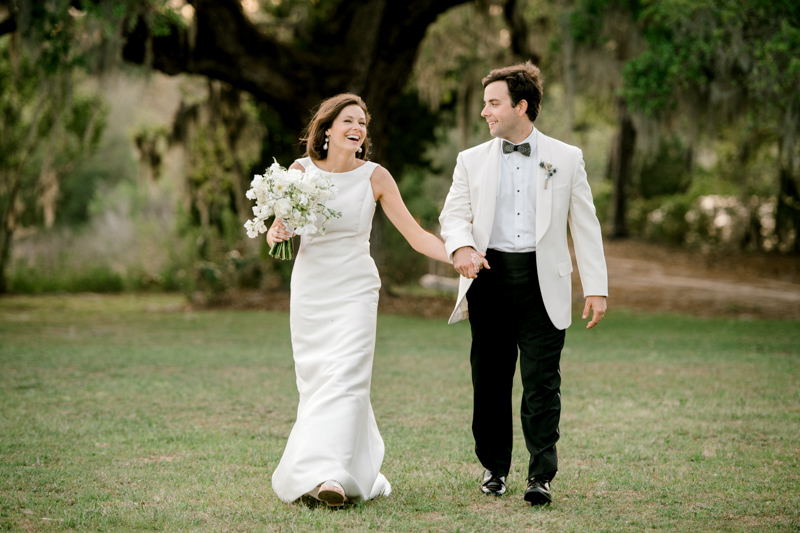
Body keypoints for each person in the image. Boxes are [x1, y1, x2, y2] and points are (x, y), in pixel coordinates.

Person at [438, 61, 608, 506]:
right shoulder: (470, 160)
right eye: (485, 104)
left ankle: (541, 475)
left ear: (521, 106)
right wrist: (460, 248)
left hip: (543, 284)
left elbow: (584, 225)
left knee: (541, 382)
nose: (485, 112)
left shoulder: (566, 157)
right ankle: (494, 469)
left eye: (493, 104)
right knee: (490, 380)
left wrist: (596, 286)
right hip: (489, 281)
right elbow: (453, 215)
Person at [267, 93, 449, 507]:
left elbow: (416, 235)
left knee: (348, 376)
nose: (358, 128)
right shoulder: (298, 172)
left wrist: (458, 255)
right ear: (327, 129)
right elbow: (281, 226)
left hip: (355, 290)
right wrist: (276, 233)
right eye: (349, 120)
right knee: (316, 381)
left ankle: (329, 476)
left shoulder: (376, 177)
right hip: (312, 291)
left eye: (363, 123)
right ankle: (326, 470)